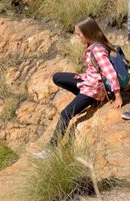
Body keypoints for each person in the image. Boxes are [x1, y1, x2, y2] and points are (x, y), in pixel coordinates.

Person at [45, 17, 122, 148]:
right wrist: (84, 76)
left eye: (79, 34)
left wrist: (118, 96)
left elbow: (110, 72)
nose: (78, 37)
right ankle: (83, 98)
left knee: (66, 114)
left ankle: (51, 148)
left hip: (93, 89)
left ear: (88, 33)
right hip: (88, 80)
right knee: (58, 77)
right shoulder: (92, 45)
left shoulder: (97, 50)